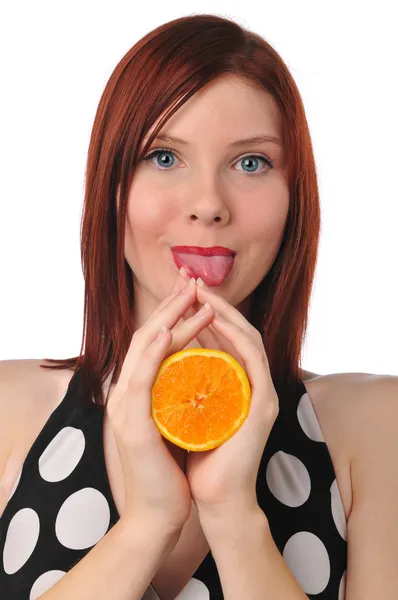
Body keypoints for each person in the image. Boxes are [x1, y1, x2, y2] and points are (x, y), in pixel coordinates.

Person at [0, 12, 397, 600]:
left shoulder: (375, 428)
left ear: (296, 197)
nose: (208, 204)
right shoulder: (9, 411)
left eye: (251, 162)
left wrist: (234, 515)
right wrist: (147, 524)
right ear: (110, 184)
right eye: (164, 157)